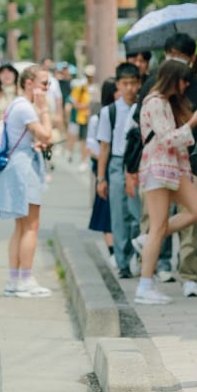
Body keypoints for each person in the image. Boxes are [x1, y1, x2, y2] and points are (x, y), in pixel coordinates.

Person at [132, 58, 197, 305]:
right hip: (158, 168)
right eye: (184, 80)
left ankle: (146, 241)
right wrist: (193, 122)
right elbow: (166, 140)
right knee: (159, 225)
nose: (186, 86)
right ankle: (144, 285)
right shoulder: (155, 102)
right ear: (174, 79)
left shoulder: (164, 103)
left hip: (172, 169)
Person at [0, 65, 54, 297]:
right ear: (28, 83)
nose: (47, 88)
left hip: (17, 167)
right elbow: (47, 134)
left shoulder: (15, 106)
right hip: (24, 170)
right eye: (44, 83)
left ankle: (15, 279)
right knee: (31, 225)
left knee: (21, 226)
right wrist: (45, 110)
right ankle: (26, 279)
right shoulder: (25, 107)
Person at [95, 62, 143, 279]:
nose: (130, 88)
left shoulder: (143, 107)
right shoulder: (109, 112)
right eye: (125, 84)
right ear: (118, 85)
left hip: (138, 163)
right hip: (116, 162)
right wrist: (100, 177)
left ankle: (135, 253)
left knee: (138, 212)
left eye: (134, 83)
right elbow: (104, 146)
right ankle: (123, 262)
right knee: (118, 213)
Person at [86, 79, 114, 265]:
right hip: (105, 166)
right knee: (106, 210)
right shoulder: (100, 117)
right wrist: (102, 158)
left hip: (120, 165)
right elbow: (91, 144)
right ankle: (112, 252)